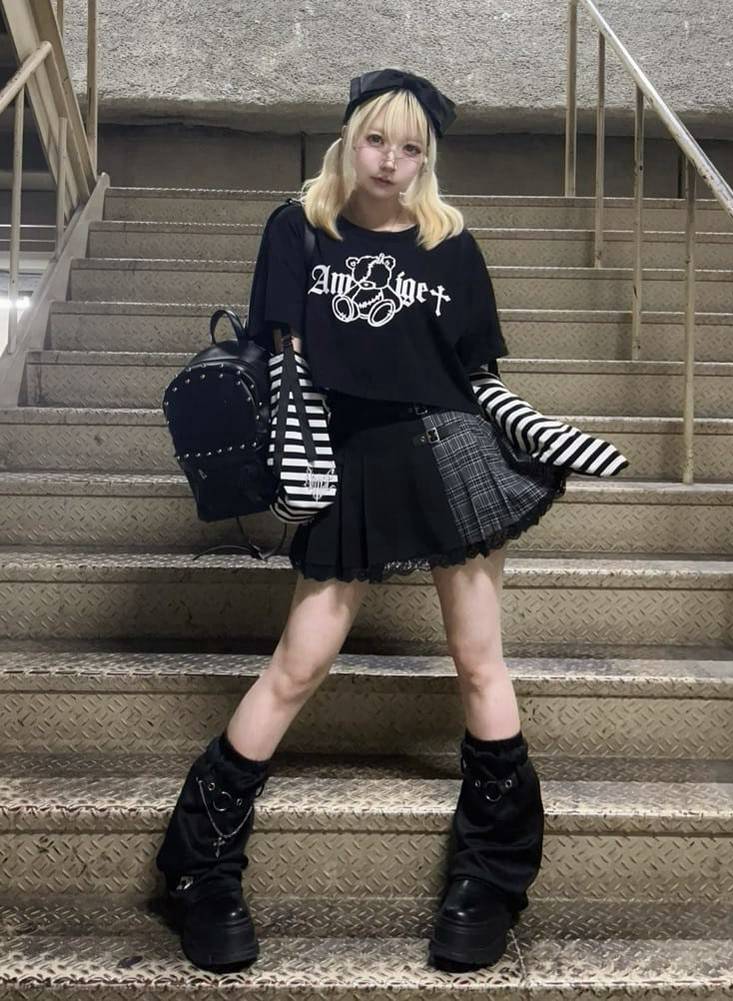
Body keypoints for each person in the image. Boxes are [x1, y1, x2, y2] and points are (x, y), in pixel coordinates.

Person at [153, 67, 567, 976]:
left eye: (411, 147)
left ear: (427, 157)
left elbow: (479, 378)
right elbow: (283, 359)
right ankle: (200, 870)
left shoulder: (452, 244)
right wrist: (299, 463)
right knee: (299, 662)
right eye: (377, 139)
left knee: (478, 658)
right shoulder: (298, 228)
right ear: (350, 137)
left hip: (448, 450)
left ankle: (491, 877)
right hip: (346, 459)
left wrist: (539, 434)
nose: (390, 160)